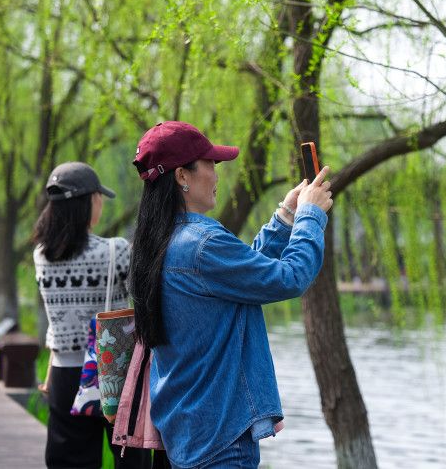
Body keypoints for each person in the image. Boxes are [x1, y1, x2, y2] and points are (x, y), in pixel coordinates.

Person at [129, 121, 333, 469]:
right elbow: (290, 278)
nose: (217, 174)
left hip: (188, 432)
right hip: (220, 442)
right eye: (210, 164)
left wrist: (285, 217)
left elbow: (241, 276)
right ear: (182, 176)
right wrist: (310, 217)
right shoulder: (202, 243)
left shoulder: (159, 242)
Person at [33, 161, 151, 469]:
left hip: (63, 375)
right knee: (130, 459)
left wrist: (48, 375)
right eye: (98, 198)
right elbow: (143, 302)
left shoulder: (41, 256)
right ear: (88, 203)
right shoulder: (115, 250)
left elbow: (58, 319)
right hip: (114, 372)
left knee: (69, 462)